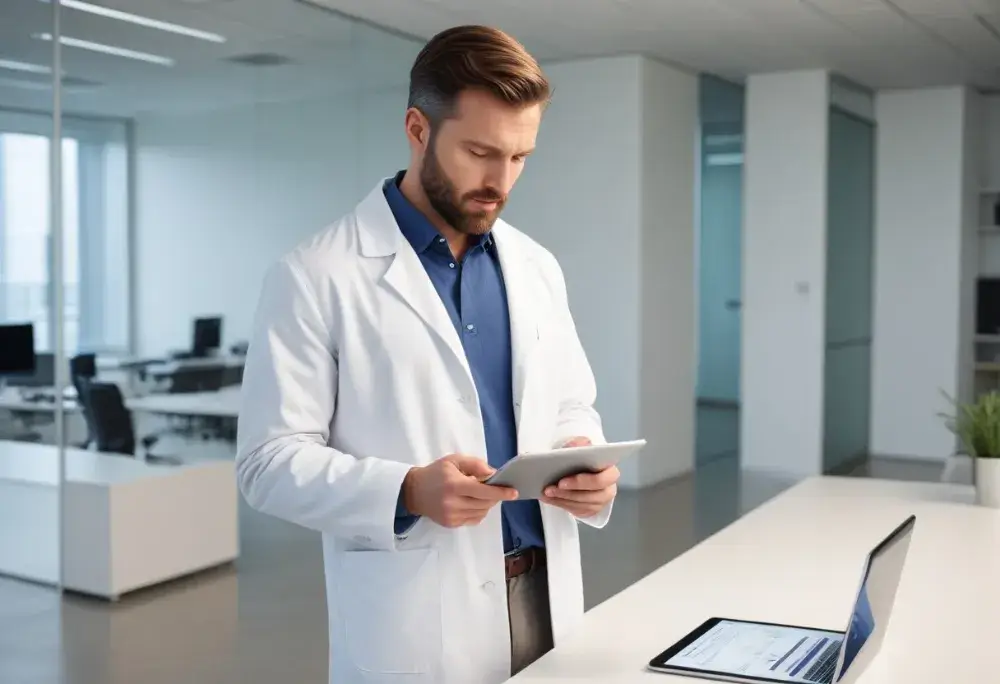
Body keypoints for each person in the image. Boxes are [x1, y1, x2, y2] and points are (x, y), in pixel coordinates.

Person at [235, 24, 619, 684]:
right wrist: (407, 489)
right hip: (415, 620)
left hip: (542, 591)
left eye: (521, 157)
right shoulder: (315, 275)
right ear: (418, 129)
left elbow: (569, 401)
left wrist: (584, 456)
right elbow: (267, 463)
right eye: (480, 152)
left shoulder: (536, 266)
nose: (501, 182)